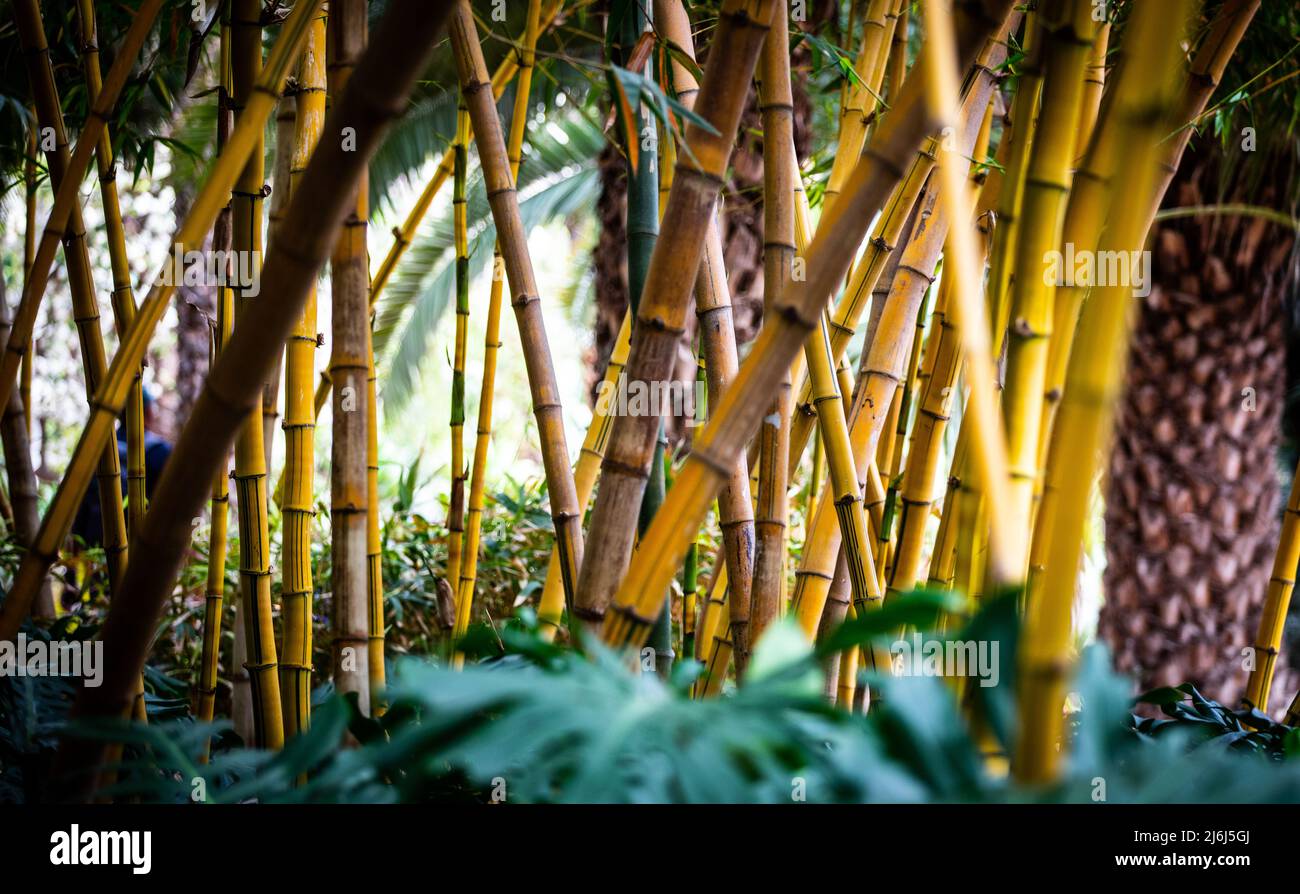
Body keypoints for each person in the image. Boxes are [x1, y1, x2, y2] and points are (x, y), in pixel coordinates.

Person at [70, 388, 174, 548]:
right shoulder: (161, 452)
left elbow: (81, 498)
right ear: (147, 412)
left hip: (94, 540)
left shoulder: (98, 447)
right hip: (140, 543)